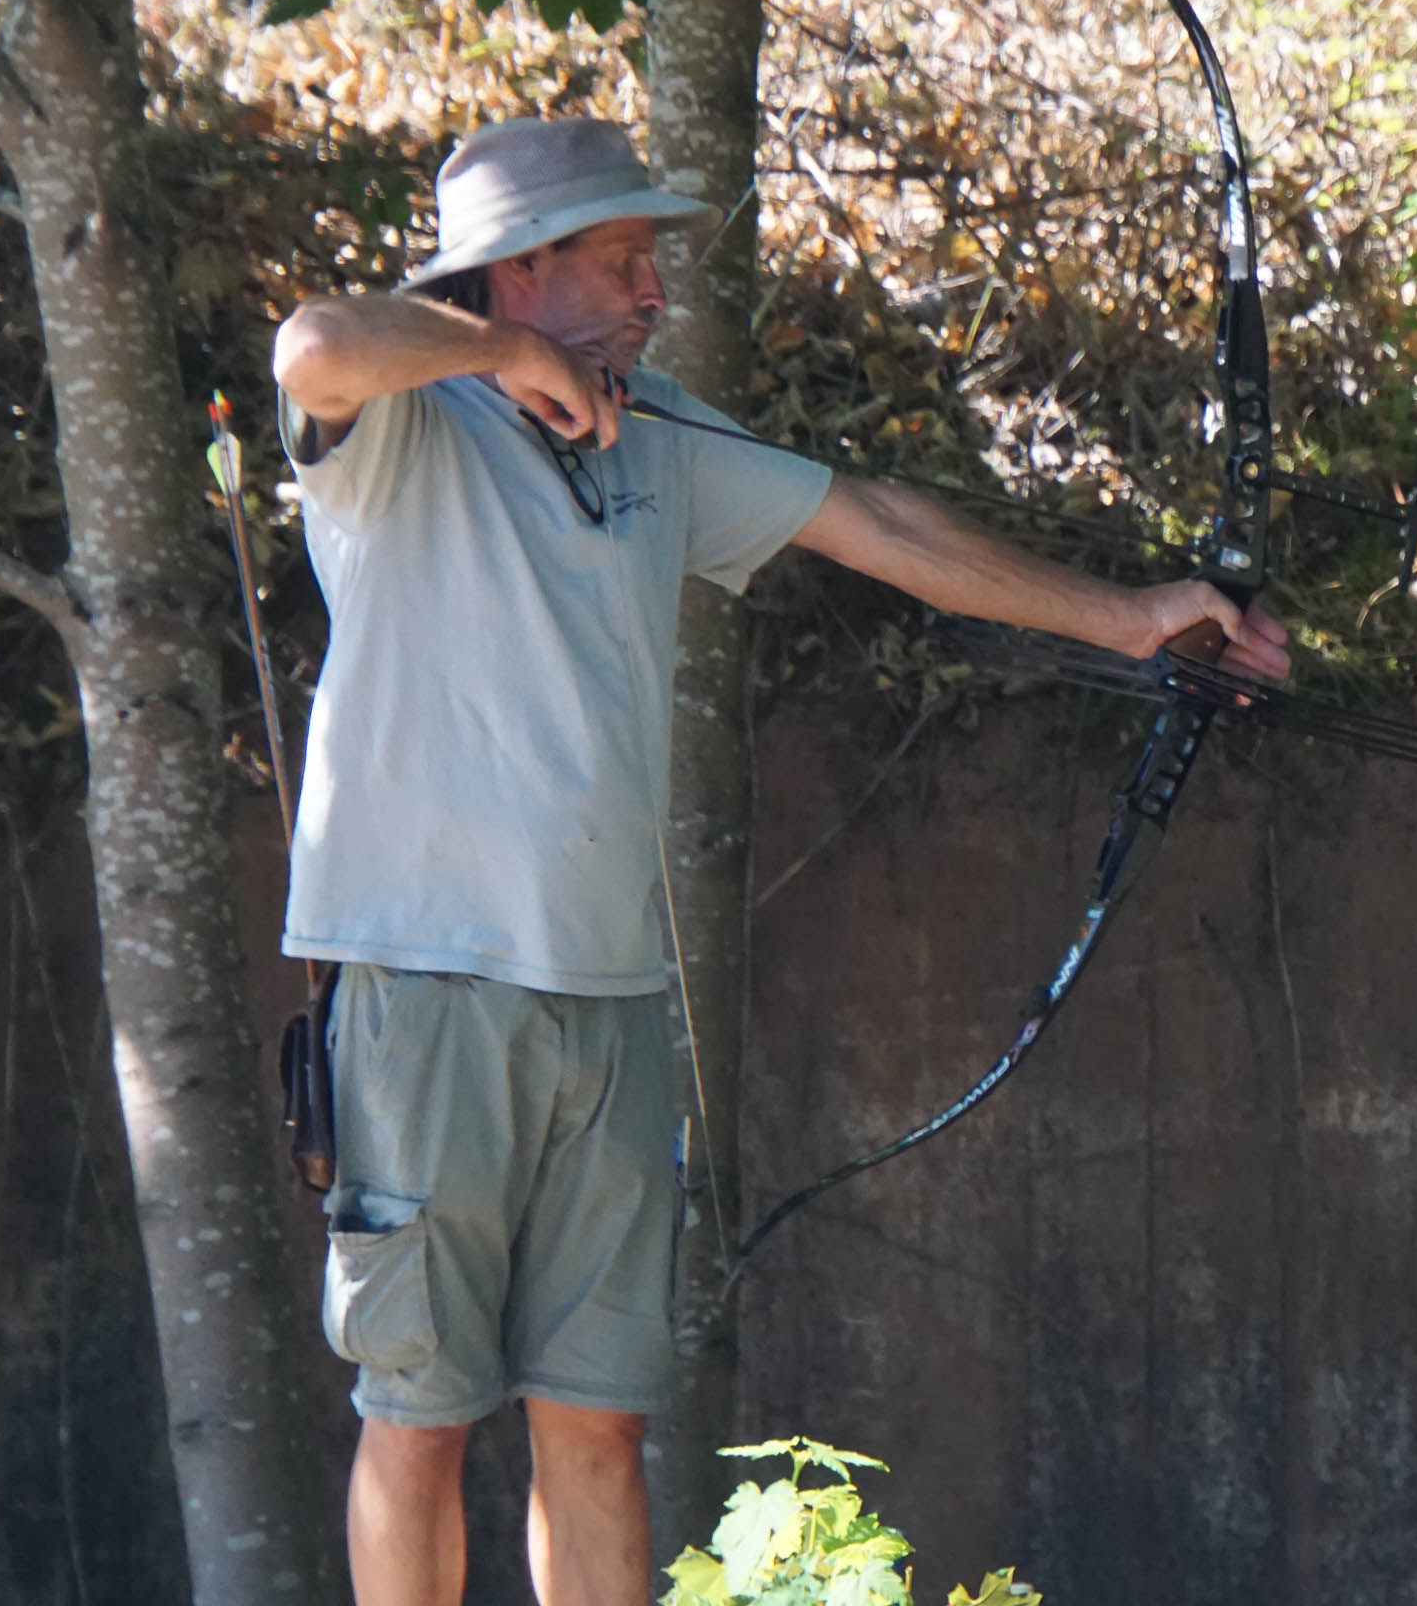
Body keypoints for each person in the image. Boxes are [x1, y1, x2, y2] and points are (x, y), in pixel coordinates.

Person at [270, 117, 1287, 1606]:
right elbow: (312, 346)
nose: (653, 292)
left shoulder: (658, 432)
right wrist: (499, 356)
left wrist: (1135, 618)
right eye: (624, 259)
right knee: (418, 1418)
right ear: (519, 270)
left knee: (598, 1424)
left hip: (611, 998)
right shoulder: (402, 429)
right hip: (425, 988)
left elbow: (873, 518)